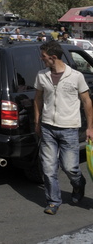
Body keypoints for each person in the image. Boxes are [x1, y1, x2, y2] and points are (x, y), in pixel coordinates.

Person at [34, 40, 93, 215]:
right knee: (48, 168)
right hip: (47, 128)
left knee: (70, 167)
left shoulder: (75, 76)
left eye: (44, 56)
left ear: (53, 57)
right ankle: (53, 201)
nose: (41, 59)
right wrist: (37, 121)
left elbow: (87, 101)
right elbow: (37, 99)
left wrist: (90, 128)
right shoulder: (41, 75)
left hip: (69, 128)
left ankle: (78, 184)